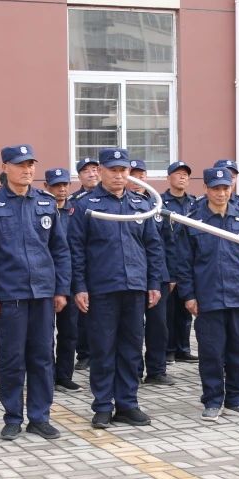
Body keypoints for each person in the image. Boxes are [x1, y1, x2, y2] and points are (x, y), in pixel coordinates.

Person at [0, 145, 71, 440]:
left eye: (31, 164)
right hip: (10, 294)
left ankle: (40, 417)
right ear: (5, 167)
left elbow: (59, 249)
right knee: (11, 359)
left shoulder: (45, 202)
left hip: (42, 294)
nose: (27, 170)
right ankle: (13, 417)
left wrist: (61, 289)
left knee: (42, 357)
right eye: (20, 165)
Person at [69, 147, 166, 429]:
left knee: (131, 348)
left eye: (123, 170)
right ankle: (102, 406)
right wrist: (79, 286)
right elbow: (76, 249)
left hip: (134, 287)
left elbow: (153, 246)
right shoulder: (86, 205)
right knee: (103, 349)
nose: (118, 175)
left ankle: (127, 404)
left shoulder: (141, 204)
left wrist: (153, 283)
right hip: (101, 288)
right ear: (101, 171)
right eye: (113, 170)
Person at [175, 167, 239, 420]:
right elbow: (184, 263)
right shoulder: (193, 220)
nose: (221, 193)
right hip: (209, 296)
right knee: (212, 352)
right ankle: (213, 400)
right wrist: (189, 295)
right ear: (206, 189)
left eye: (226, 188)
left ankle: (237, 398)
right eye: (216, 188)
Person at [129, 159, 174, 387]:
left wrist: (171, 275)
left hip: (158, 275)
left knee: (158, 326)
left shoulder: (157, 205)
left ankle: (157, 370)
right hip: (133, 274)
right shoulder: (124, 206)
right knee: (134, 327)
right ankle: (134, 370)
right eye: (133, 175)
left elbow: (168, 242)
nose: (137, 180)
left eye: (141, 175)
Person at [44, 167, 82, 391]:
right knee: (45, 334)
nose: (61, 189)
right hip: (47, 281)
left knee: (69, 332)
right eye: (56, 185)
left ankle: (64, 375)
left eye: (65, 185)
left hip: (71, 281)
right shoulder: (41, 209)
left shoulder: (76, 212)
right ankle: (47, 375)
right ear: (46, 187)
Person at [161, 161, 199, 363]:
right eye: (178, 174)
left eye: (185, 174)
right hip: (168, 263)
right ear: (169, 178)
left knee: (186, 308)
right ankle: (168, 349)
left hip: (188, 265)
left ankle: (183, 348)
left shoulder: (195, 203)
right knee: (168, 311)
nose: (182, 177)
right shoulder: (159, 202)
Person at [72, 156, 100, 371]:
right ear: (79, 176)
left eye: (94, 169)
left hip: (104, 267)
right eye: (86, 171)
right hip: (86, 265)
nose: (92, 174)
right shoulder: (76, 201)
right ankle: (84, 353)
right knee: (83, 313)